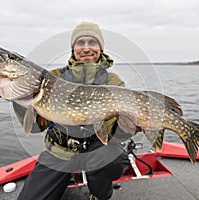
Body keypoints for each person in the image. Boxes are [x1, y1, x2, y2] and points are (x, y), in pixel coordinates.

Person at [15, 22, 130, 200]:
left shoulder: (113, 81)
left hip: (97, 151)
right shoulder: (54, 77)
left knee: (113, 160)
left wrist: (125, 129)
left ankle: (101, 193)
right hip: (60, 152)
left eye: (92, 42)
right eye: (80, 43)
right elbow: (37, 128)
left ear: (100, 48)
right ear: (73, 48)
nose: (86, 48)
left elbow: (116, 134)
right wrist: (20, 101)